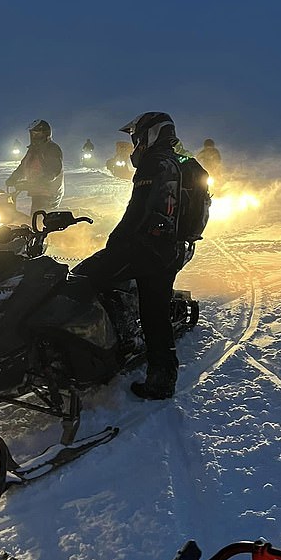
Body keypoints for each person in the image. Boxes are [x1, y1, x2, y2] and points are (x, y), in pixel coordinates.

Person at [74, 112, 186, 400]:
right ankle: (162, 379)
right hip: (167, 249)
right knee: (156, 315)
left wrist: (115, 242)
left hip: (145, 248)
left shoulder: (154, 163)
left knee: (81, 278)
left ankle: (93, 353)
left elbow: (138, 211)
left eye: (137, 137)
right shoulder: (175, 161)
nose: (134, 143)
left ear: (151, 133)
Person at [6, 119, 64, 215]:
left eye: (37, 134)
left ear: (45, 134)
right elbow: (23, 167)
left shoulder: (51, 149)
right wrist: (13, 179)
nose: (34, 136)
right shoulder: (33, 150)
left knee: (38, 220)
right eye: (33, 134)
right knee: (32, 218)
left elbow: (53, 170)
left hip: (49, 192)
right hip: (37, 191)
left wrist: (38, 182)